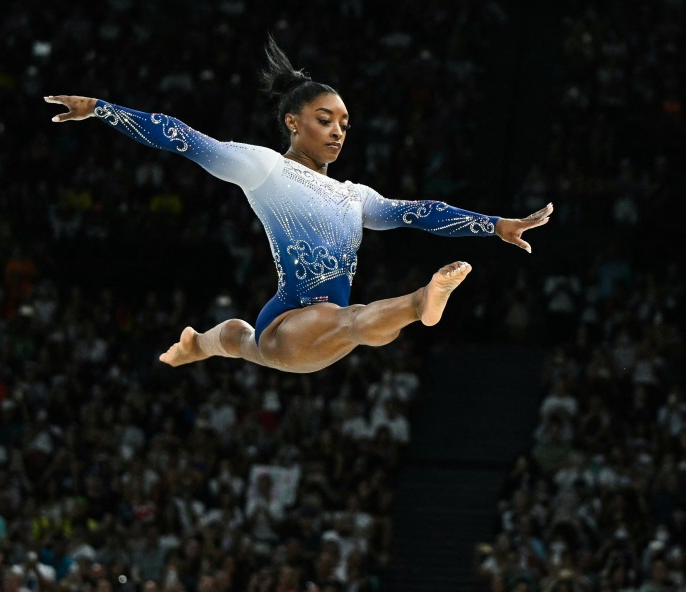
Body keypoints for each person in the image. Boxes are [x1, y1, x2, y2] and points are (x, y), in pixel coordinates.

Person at [43, 36, 552, 374]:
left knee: (248, 340)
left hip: (315, 327)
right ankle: (422, 303)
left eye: (345, 125)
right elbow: (181, 137)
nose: (337, 133)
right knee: (352, 322)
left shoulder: (355, 197)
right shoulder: (264, 168)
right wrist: (102, 109)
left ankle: (198, 342)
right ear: (293, 122)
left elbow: (420, 211)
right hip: (289, 322)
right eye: (325, 120)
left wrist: (495, 225)